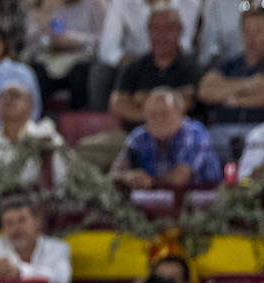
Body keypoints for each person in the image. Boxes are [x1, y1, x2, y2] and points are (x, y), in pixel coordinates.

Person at [78, 3, 199, 169]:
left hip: (177, 137)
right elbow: (117, 105)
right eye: (155, 29)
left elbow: (186, 103)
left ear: (179, 31)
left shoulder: (190, 66)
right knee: (84, 149)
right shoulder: (135, 67)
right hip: (131, 135)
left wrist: (140, 101)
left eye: (168, 29)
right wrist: (158, 116)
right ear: (148, 32)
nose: (161, 36)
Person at [92, 0, 198, 110]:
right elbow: (108, 50)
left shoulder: (189, 3)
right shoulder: (121, 3)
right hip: (133, 62)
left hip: (176, 61)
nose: (161, 35)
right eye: (156, 29)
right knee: (102, 73)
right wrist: (135, 63)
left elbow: (185, 44)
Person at [110, 87, 221, 187]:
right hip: (156, 202)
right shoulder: (139, 136)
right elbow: (114, 173)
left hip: (202, 202)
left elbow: (178, 179)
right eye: (152, 115)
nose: (158, 120)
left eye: (164, 114)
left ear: (180, 114)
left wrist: (147, 181)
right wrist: (127, 176)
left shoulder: (195, 134)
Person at [197, 3, 264, 165]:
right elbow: (205, 91)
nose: (252, 38)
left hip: (258, 131)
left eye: (259, 31)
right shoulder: (228, 65)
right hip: (222, 131)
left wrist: (232, 98)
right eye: (247, 31)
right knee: (200, 140)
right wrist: (248, 85)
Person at [0, 81, 67, 185]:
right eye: (2, 96)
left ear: (30, 105)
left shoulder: (48, 138)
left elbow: (62, 179)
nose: (7, 99)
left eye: (15, 95)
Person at [0, 195, 71, 283]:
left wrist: (21, 272)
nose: (16, 228)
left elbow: (62, 282)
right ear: (3, 228)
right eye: (9, 223)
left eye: (22, 221)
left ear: (37, 222)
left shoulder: (58, 248)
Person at [25, 0, 106, 111]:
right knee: (36, 71)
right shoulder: (50, 5)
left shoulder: (95, 4)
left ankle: (77, 117)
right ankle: (37, 117)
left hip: (81, 56)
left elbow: (103, 38)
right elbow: (33, 39)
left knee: (80, 72)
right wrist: (45, 13)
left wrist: (73, 40)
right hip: (52, 57)